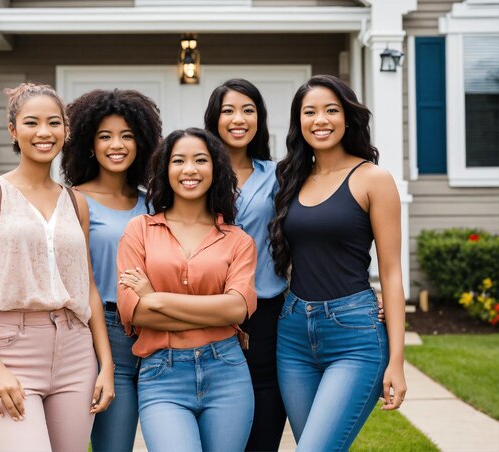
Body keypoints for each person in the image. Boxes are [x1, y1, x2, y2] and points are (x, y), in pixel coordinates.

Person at [0, 82, 114, 451]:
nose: (44, 132)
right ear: (13, 130)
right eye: (31, 123)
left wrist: (106, 364)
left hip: (75, 352)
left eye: (54, 123)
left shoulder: (77, 202)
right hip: (10, 348)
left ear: (66, 131)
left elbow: (86, 287)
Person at [270, 74, 407, 451]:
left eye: (331, 110)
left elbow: (392, 274)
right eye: (309, 112)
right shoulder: (291, 178)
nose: (321, 120)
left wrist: (396, 359)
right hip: (293, 334)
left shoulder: (373, 179)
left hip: (354, 335)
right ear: (299, 122)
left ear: (347, 117)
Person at [117, 128, 257, 452]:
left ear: (215, 169)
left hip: (227, 374)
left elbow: (237, 309)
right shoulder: (139, 230)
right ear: (165, 170)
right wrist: (214, 314)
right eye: (179, 160)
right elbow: (133, 311)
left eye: (200, 160)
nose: (189, 169)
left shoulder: (238, 240)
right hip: (161, 376)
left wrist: (155, 298)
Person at [60, 88, 162, 452]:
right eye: (105, 136)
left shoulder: (154, 202)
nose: (116, 145)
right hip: (103, 331)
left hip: (159, 331)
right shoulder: (72, 200)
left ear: (142, 143)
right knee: (114, 445)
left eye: (127, 136)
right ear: (90, 144)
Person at [204, 78, 288, 451]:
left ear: (260, 119)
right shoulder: (195, 172)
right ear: (214, 119)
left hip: (267, 312)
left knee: (265, 417)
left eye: (248, 110)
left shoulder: (279, 176)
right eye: (228, 110)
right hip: (205, 311)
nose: (238, 119)